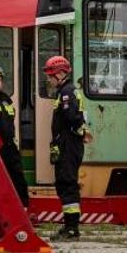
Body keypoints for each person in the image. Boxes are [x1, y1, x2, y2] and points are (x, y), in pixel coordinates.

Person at [46, 55, 90, 239]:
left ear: (60, 74)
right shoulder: (66, 91)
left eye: (50, 75)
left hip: (68, 144)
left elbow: (72, 118)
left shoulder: (67, 92)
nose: (48, 79)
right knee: (64, 183)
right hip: (66, 143)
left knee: (68, 183)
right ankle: (69, 225)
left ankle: (72, 228)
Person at [0, 64, 31, 207]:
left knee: (18, 179)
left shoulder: (6, 100)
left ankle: (23, 209)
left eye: (0, 79)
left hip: (10, 148)